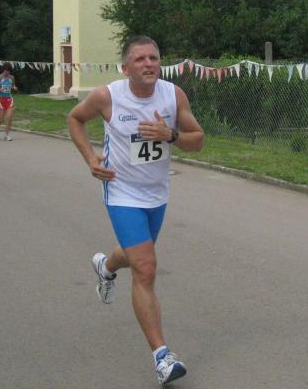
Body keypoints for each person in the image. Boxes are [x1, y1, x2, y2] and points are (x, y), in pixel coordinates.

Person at [67, 36, 204, 386]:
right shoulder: (108, 96)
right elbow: (75, 118)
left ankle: (106, 266)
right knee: (145, 267)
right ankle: (162, 356)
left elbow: (198, 140)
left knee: (134, 257)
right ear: (125, 68)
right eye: (140, 59)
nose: (149, 64)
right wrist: (90, 158)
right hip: (121, 191)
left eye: (153, 58)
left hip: (157, 194)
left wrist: (170, 135)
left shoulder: (173, 95)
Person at [0, 63, 18, 141]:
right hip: (0, 99)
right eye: (6, 71)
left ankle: (6, 135)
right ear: (3, 70)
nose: (7, 73)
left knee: (9, 117)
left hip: (9, 99)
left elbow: (13, 85)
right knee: (1, 120)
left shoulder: (12, 77)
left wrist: (14, 87)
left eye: (9, 71)